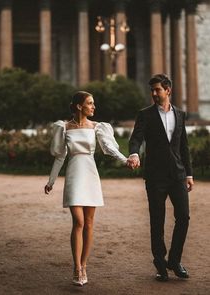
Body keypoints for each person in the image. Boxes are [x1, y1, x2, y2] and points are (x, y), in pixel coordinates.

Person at [44, 91, 128, 286]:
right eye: (90, 103)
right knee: (78, 222)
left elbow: (110, 148)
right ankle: (76, 266)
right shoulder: (63, 127)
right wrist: (51, 181)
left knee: (89, 223)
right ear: (79, 106)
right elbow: (59, 156)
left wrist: (125, 160)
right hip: (74, 174)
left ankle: (84, 265)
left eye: (93, 103)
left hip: (90, 174)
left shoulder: (97, 127)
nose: (93, 107)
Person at [127, 74, 194, 282]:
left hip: (177, 175)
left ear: (168, 90)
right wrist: (134, 153)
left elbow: (183, 147)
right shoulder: (145, 114)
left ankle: (174, 260)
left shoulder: (180, 114)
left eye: (157, 90)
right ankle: (160, 264)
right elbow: (136, 138)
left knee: (183, 217)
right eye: (152, 90)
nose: (154, 94)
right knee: (157, 221)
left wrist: (189, 173)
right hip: (155, 177)